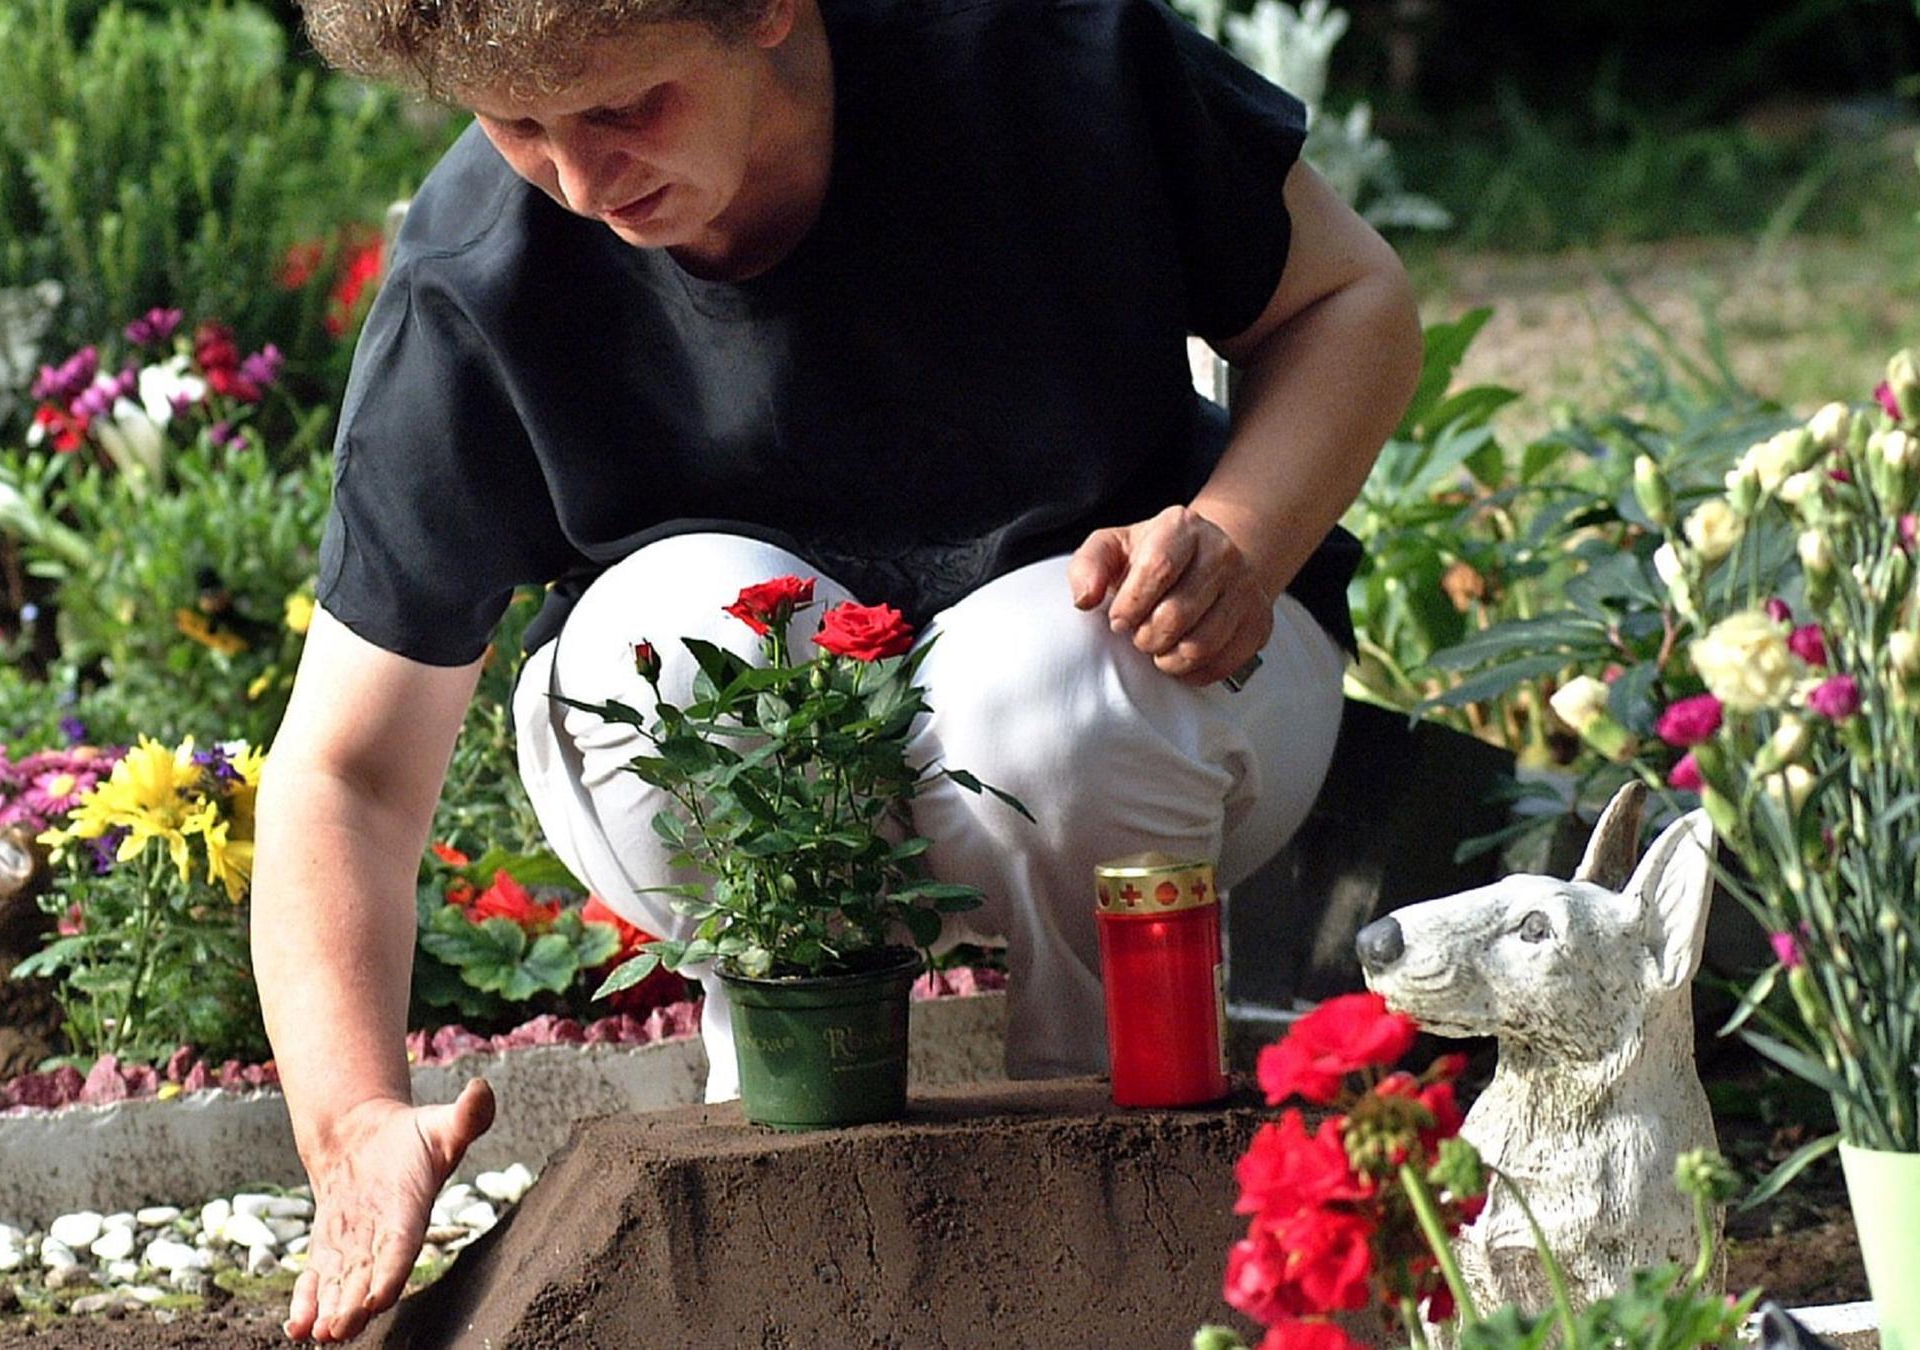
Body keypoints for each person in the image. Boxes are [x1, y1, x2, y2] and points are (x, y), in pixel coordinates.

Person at [254, 0, 1423, 1338]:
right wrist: (350, 1119)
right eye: (518, 126)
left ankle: (1138, 1189)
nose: (582, 182)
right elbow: (345, 770)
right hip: (783, 750)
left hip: (1142, 697)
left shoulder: (1054, 55)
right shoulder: (477, 266)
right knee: (678, 646)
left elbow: (1347, 297)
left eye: (627, 105)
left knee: (1054, 682)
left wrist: (1239, 539)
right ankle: (791, 1211)